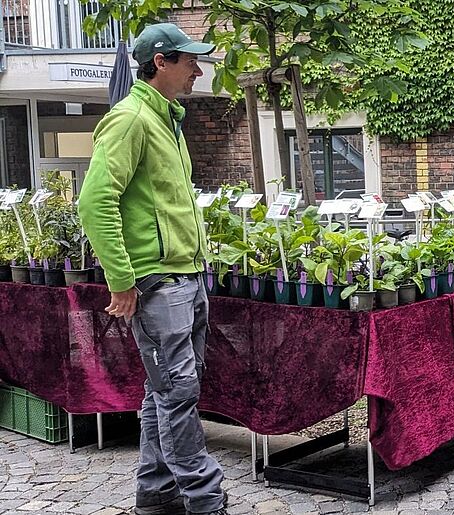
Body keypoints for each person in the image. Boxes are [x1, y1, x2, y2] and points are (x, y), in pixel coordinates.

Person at [76, 23, 229, 515]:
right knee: (177, 392)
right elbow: (95, 202)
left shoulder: (167, 120)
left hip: (186, 275)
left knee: (164, 391)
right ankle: (205, 498)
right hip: (157, 283)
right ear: (160, 62)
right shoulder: (130, 119)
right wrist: (122, 280)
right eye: (190, 62)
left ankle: (156, 492)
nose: (197, 71)